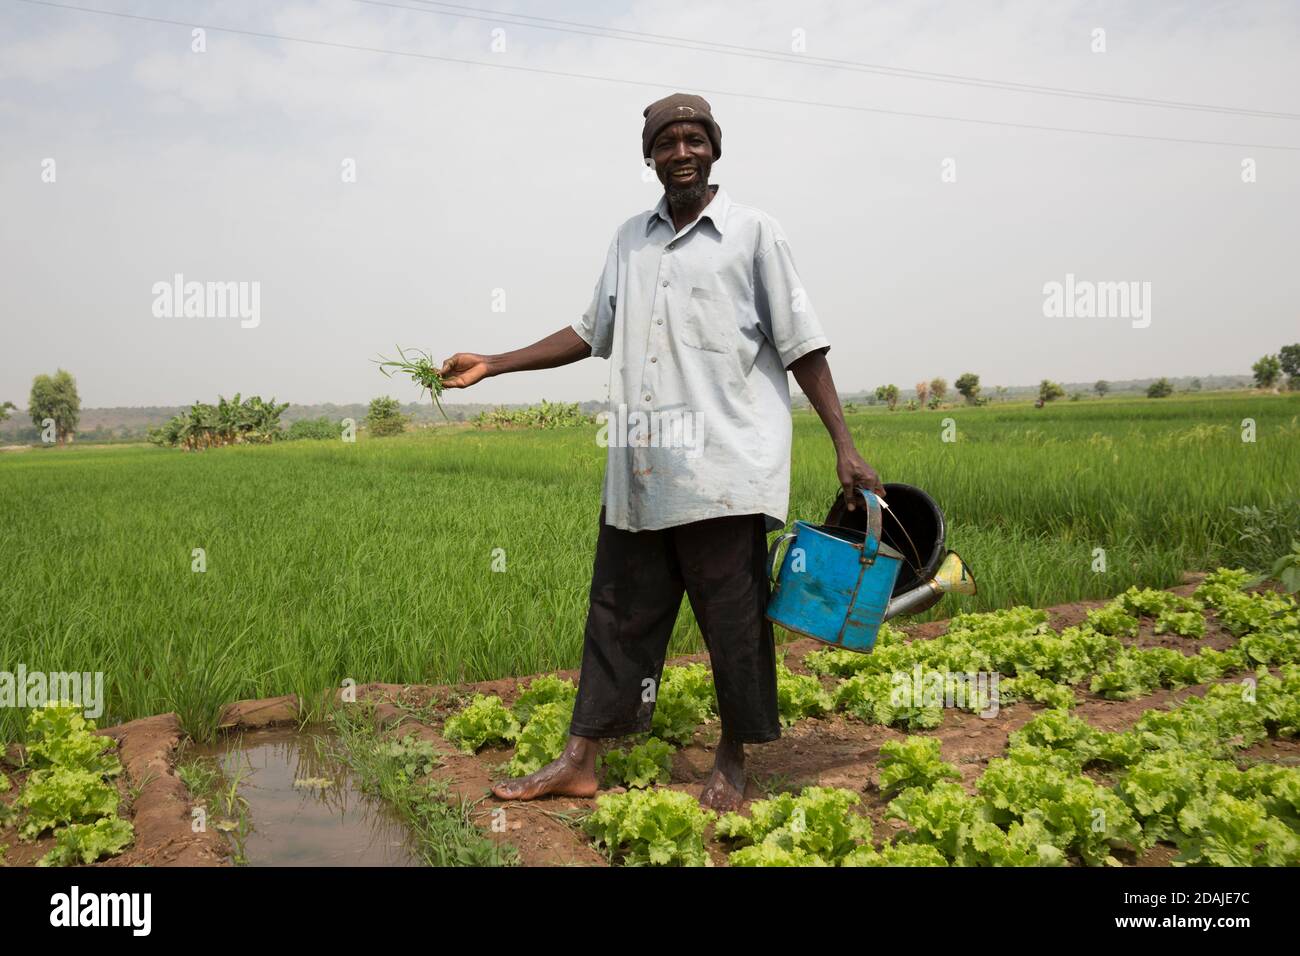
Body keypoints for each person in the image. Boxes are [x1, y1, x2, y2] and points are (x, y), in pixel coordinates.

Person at [439, 93, 883, 810]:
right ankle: (579, 759)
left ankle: (733, 761)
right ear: (648, 155)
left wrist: (845, 443)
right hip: (640, 471)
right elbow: (590, 333)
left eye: (694, 138)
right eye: (666, 141)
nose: (681, 151)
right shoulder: (630, 240)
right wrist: (493, 362)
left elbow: (804, 345)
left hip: (723, 470)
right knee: (616, 615)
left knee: (731, 620)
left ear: (714, 148)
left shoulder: (753, 234)